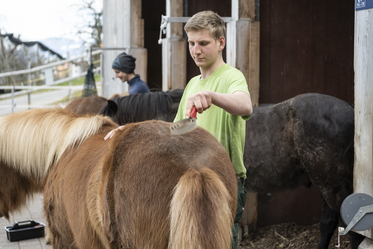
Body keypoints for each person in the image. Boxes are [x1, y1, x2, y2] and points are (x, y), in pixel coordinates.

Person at [173, 10, 253, 249]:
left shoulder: (232, 77)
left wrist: (212, 96)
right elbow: (178, 129)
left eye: (203, 43)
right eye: (192, 43)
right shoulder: (192, 84)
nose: (196, 50)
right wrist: (134, 132)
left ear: (221, 43)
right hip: (192, 180)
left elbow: (245, 105)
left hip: (224, 181)